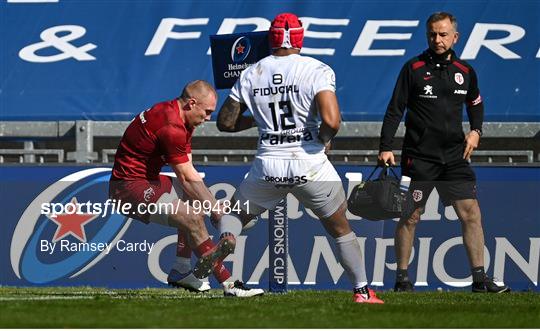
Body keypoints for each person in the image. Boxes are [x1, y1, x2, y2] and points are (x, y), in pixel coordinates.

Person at [214, 13, 384, 304]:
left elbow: (225, 122)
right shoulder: (317, 69)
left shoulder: (252, 72)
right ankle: (361, 291)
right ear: (300, 38)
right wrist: (324, 138)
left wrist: (259, 121)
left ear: (271, 39)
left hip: (268, 163)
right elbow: (332, 119)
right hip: (309, 162)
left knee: (234, 214)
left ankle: (228, 238)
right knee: (340, 226)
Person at [378, 12, 510, 293]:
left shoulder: (465, 71)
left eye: (443, 34)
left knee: (471, 213)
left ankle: (479, 280)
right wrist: (385, 147)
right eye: (432, 35)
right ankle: (402, 279)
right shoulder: (412, 68)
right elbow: (395, 110)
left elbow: (475, 103)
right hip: (419, 157)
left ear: (455, 37)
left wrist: (476, 131)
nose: (437, 39)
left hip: (454, 157)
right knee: (410, 216)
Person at [109, 80, 263, 297]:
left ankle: (181, 270)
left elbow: (188, 172)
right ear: (192, 103)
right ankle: (230, 285)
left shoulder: (178, 116)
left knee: (195, 203)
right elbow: (187, 177)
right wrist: (217, 212)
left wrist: (209, 204)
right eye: (207, 111)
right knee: (192, 218)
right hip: (127, 189)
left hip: (147, 179)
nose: (209, 118)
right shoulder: (172, 126)